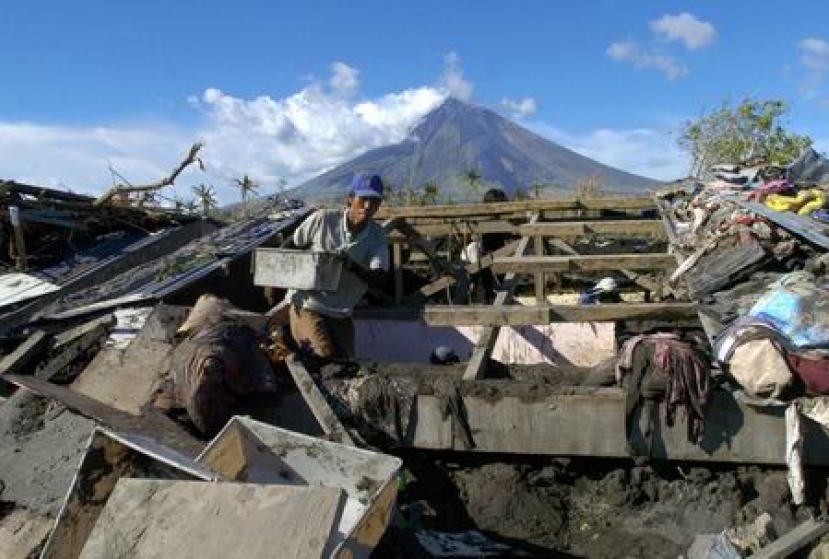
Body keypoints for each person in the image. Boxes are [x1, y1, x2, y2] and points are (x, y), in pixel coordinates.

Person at [285, 173, 389, 361]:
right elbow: (290, 246)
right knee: (322, 357)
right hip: (308, 304)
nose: (368, 206)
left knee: (346, 366)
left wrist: (350, 265)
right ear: (350, 199)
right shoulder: (323, 219)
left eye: (374, 201)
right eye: (363, 199)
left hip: (341, 312)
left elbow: (380, 277)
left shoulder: (377, 236)